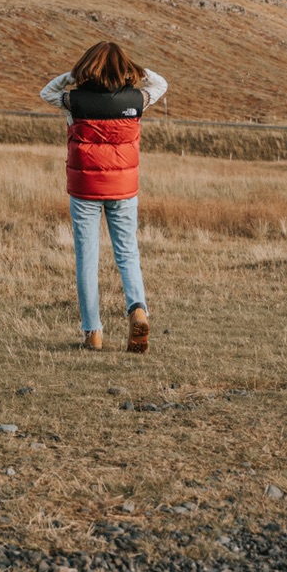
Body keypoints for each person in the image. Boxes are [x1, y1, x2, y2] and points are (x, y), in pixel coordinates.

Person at [40, 41, 168, 353]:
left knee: (87, 258)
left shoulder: (74, 100)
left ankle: (93, 332)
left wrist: (72, 75)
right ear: (124, 68)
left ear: (88, 67)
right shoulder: (137, 100)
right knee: (127, 253)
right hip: (123, 189)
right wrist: (137, 71)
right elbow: (160, 83)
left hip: (85, 190)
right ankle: (138, 308)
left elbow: (46, 92)